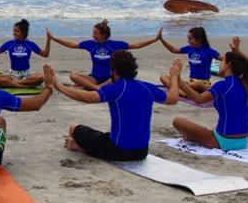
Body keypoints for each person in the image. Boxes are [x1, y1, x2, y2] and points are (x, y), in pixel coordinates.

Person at [53, 51, 181, 161]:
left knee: (74, 128)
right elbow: (173, 99)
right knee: (105, 136)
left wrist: (59, 86)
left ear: (114, 71)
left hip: (118, 150)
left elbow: (88, 98)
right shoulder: (146, 87)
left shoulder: (117, 88)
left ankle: (80, 147)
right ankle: (83, 146)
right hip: (142, 152)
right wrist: (174, 76)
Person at [172, 51, 248, 151]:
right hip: (243, 141)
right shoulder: (247, 85)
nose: (219, 65)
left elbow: (199, 99)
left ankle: (194, 137)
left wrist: (178, 80)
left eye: (222, 62)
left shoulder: (223, 85)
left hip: (225, 141)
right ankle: (194, 137)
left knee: (178, 121)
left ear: (228, 65)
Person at [49, 20, 161, 90]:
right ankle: (96, 87)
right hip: (95, 79)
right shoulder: (90, 44)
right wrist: (54, 38)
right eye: (93, 33)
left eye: (96, 34)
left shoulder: (114, 45)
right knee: (73, 75)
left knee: (118, 79)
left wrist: (155, 39)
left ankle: (94, 87)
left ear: (104, 35)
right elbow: (72, 45)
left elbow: (136, 45)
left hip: (110, 79)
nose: (93, 36)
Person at [0, 19, 52, 88]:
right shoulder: (10, 43)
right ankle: (23, 85)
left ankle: (15, 84)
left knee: (41, 77)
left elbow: (45, 54)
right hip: (12, 74)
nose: (14, 33)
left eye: (16, 31)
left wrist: (48, 40)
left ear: (23, 33)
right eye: (13, 31)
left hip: (27, 74)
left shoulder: (30, 44)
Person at [159, 26, 220, 95]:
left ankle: (179, 91)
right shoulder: (189, 48)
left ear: (199, 39)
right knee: (163, 77)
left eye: (190, 39)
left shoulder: (208, 51)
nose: (188, 41)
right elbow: (173, 50)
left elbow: (224, 58)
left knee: (197, 84)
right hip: (190, 83)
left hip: (203, 85)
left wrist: (234, 51)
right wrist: (162, 40)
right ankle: (182, 92)